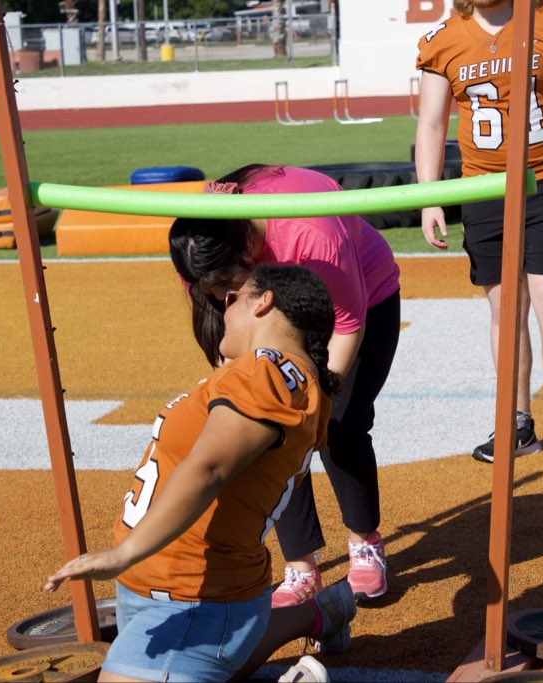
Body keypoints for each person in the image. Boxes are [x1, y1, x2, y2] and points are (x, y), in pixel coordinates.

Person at [44, 265, 356, 683]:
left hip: (194, 597)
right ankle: (316, 615)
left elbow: (211, 467)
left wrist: (124, 553)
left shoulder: (268, 369)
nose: (220, 308)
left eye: (231, 298)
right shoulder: (281, 375)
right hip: (185, 593)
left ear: (263, 302)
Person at [169, 164, 401, 605]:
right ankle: (300, 565)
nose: (219, 295)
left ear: (246, 254)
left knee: (340, 427)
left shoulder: (309, 234)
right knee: (270, 429)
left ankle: (364, 541)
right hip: (274, 312)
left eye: (225, 285)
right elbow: (219, 322)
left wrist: (321, 396)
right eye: (211, 288)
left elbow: (348, 324)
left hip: (355, 300)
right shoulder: (196, 243)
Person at [414, 0, 543, 471]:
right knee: (504, 309)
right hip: (484, 189)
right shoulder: (444, 40)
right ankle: (518, 423)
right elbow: (432, 124)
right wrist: (430, 196)